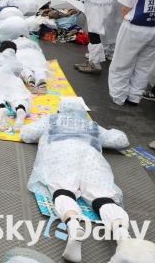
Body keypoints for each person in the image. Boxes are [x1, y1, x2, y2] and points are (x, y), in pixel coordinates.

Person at [20, 98, 132, 263]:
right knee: (103, 197)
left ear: (60, 110)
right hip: (90, 156)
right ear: (83, 113)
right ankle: (123, 236)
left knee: (63, 191)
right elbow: (121, 140)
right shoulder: (92, 126)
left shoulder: (52, 119)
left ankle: (73, 225)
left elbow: (26, 135)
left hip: (61, 155)